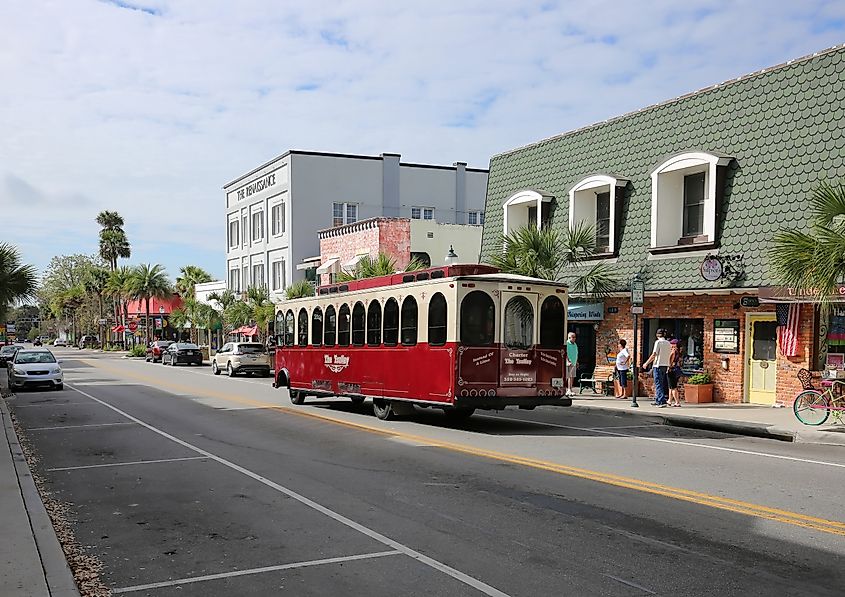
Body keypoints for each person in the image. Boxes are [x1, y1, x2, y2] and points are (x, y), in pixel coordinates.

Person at [642, 328, 671, 407]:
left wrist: (646, 363)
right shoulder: (668, 343)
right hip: (665, 365)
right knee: (661, 383)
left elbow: (654, 354)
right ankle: (658, 399)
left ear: (657, 335)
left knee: (658, 383)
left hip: (657, 365)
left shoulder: (658, 342)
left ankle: (661, 401)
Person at [667, 339, 683, 406]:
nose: (670, 345)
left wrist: (668, 367)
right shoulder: (679, 352)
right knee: (671, 386)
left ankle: (677, 402)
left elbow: (670, 360)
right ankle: (669, 400)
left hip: (672, 370)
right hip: (677, 370)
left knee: (673, 387)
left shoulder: (673, 352)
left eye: (672, 344)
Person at [565, 331, 578, 396]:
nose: (574, 338)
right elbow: (565, 353)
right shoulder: (566, 344)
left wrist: (577, 361)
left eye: (575, 337)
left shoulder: (575, 344)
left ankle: (571, 389)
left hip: (574, 362)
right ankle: (568, 389)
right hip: (569, 363)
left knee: (572, 376)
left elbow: (576, 353)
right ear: (569, 337)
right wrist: (567, 361)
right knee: (569, 376)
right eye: (573, 337)